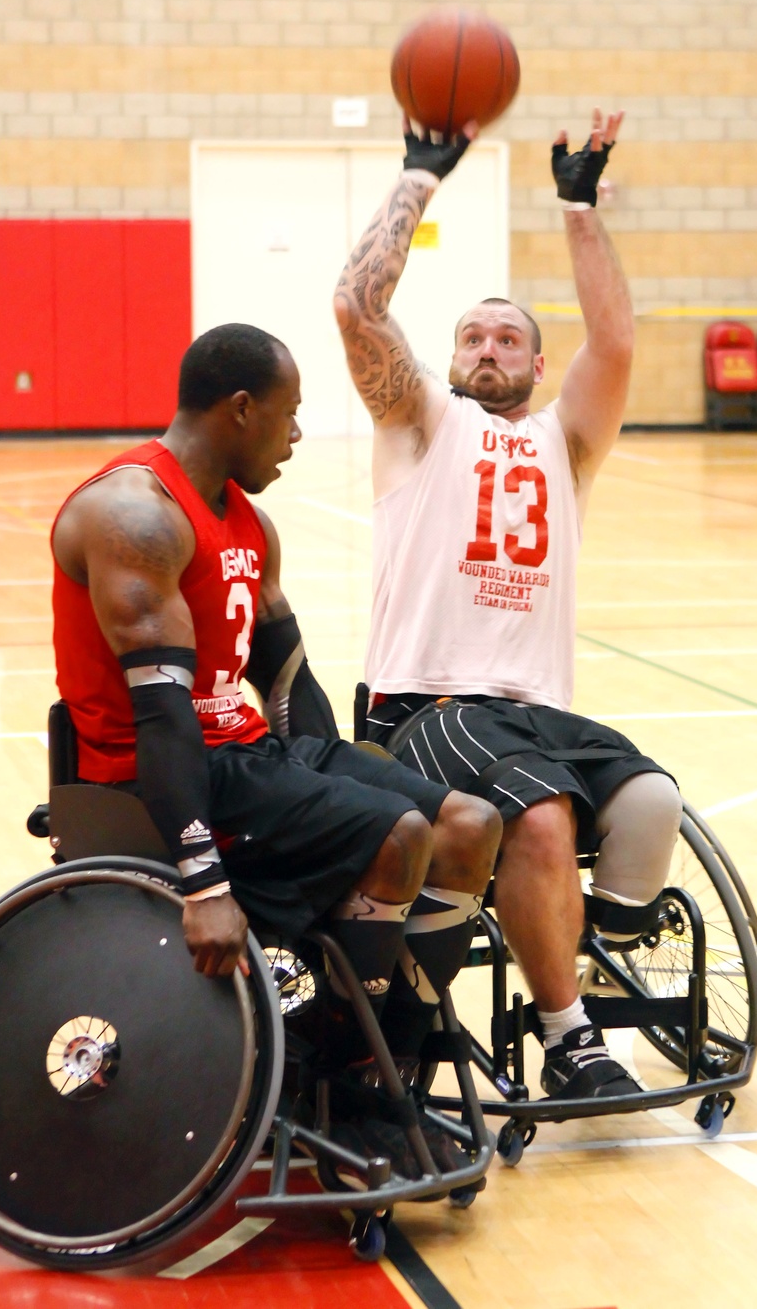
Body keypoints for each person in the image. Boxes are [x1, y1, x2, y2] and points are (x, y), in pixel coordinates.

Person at [51, 322, 501, 1174]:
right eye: (290, 417)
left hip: (249, 756)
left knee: (469, 824)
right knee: (399, 838)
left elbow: (287, 682)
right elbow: (163, 722)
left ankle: (384, 1054)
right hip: (158, 775)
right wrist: (203, 881)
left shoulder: (250, 526)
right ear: (241, 409)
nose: (297, 436)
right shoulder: (135, 514)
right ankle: (342, 1065)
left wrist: (343, 780)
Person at [332, 111, 683, 1102]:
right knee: (537, 815)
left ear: (536, 365)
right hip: (425, 710)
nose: (488, 348)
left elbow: (615, 340)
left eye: (509, 339)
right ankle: (571, 1041)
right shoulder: (418, 425)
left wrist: (577, 208)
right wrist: (418, 175)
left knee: (651, 802)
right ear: (451, 360)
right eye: (471, 336)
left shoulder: (563, 447)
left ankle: (588, 947)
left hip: (532, 713)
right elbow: (356, 310)